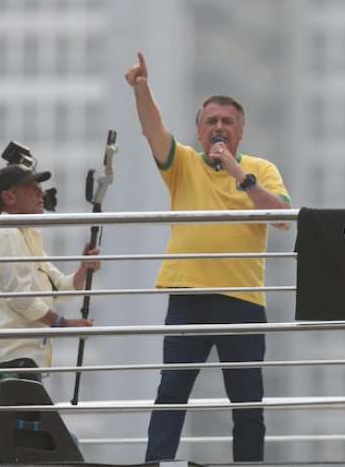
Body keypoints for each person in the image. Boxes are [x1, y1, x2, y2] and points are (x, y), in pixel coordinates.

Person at [125, 52, 291, 462]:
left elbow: (283, 218)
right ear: (199, 131)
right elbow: (153, 131)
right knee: (172, 391)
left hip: (243, 300)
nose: (219, 128)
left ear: (241, 130)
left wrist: (238, 173)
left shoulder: (260, 169)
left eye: (227, 122)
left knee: (247, 400)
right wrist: (142, 89)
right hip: (189, 297)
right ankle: (157, 462)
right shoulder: (182, 164)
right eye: (211, 122)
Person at [0, 164, 99, 376]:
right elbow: (21, 298)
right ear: (9, 197)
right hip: (10, 359)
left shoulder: (24, 234)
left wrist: (84, 268)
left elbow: (59, 287)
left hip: (20, 358)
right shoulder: (6, 233)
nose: (40, 192)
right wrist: (61, 324)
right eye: (31, 187)